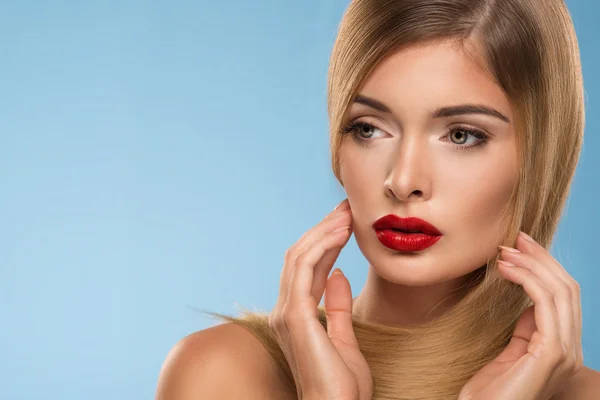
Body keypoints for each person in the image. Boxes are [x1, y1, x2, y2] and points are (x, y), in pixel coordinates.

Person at [155, 0, 600, 398]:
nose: (403, 181)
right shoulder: (222, 375)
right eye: (368, 128)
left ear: (543, 155)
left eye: (461, 135)